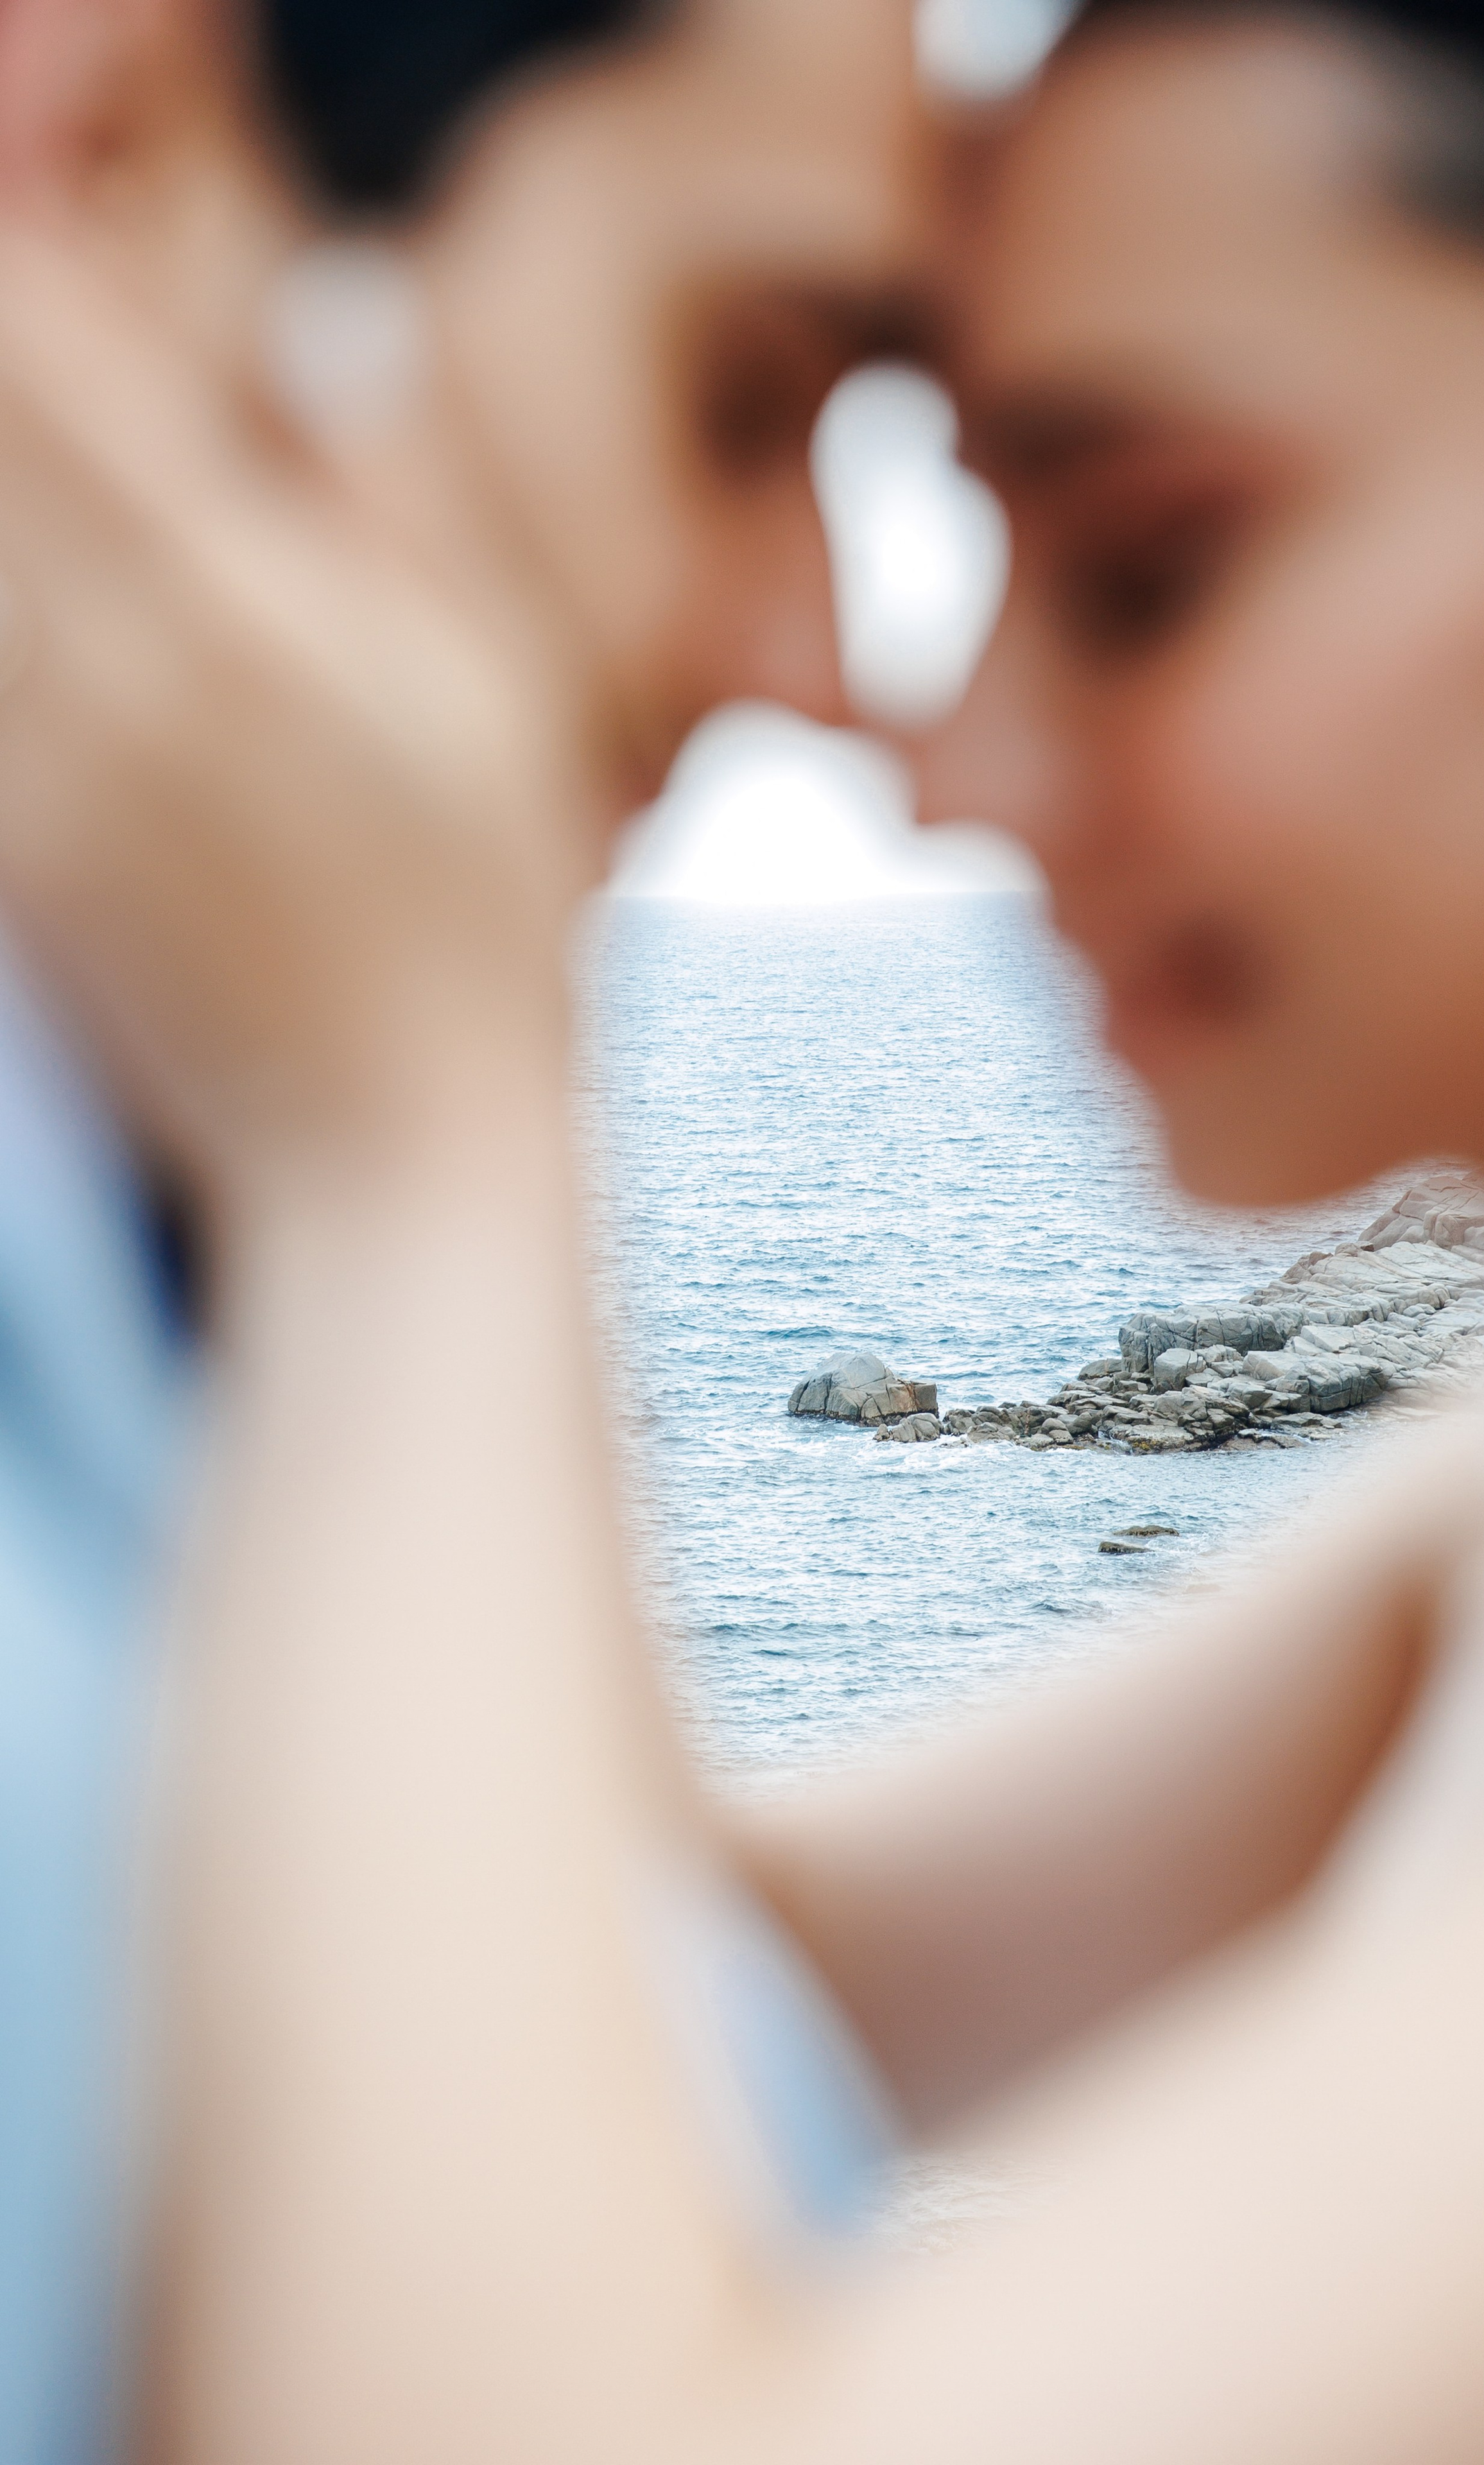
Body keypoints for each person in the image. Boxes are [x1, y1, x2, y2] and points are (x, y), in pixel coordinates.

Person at [11, 2, 1484, 2462]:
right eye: (745, 406)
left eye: (1151, 571)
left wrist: (416, 1147)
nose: (943, 760)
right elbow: (673, 1966)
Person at [0, 0, 927, 2455]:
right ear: (121, 169)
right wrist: (421, 1142)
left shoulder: (191, 1283)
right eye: (743, 399)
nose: (824, 662)